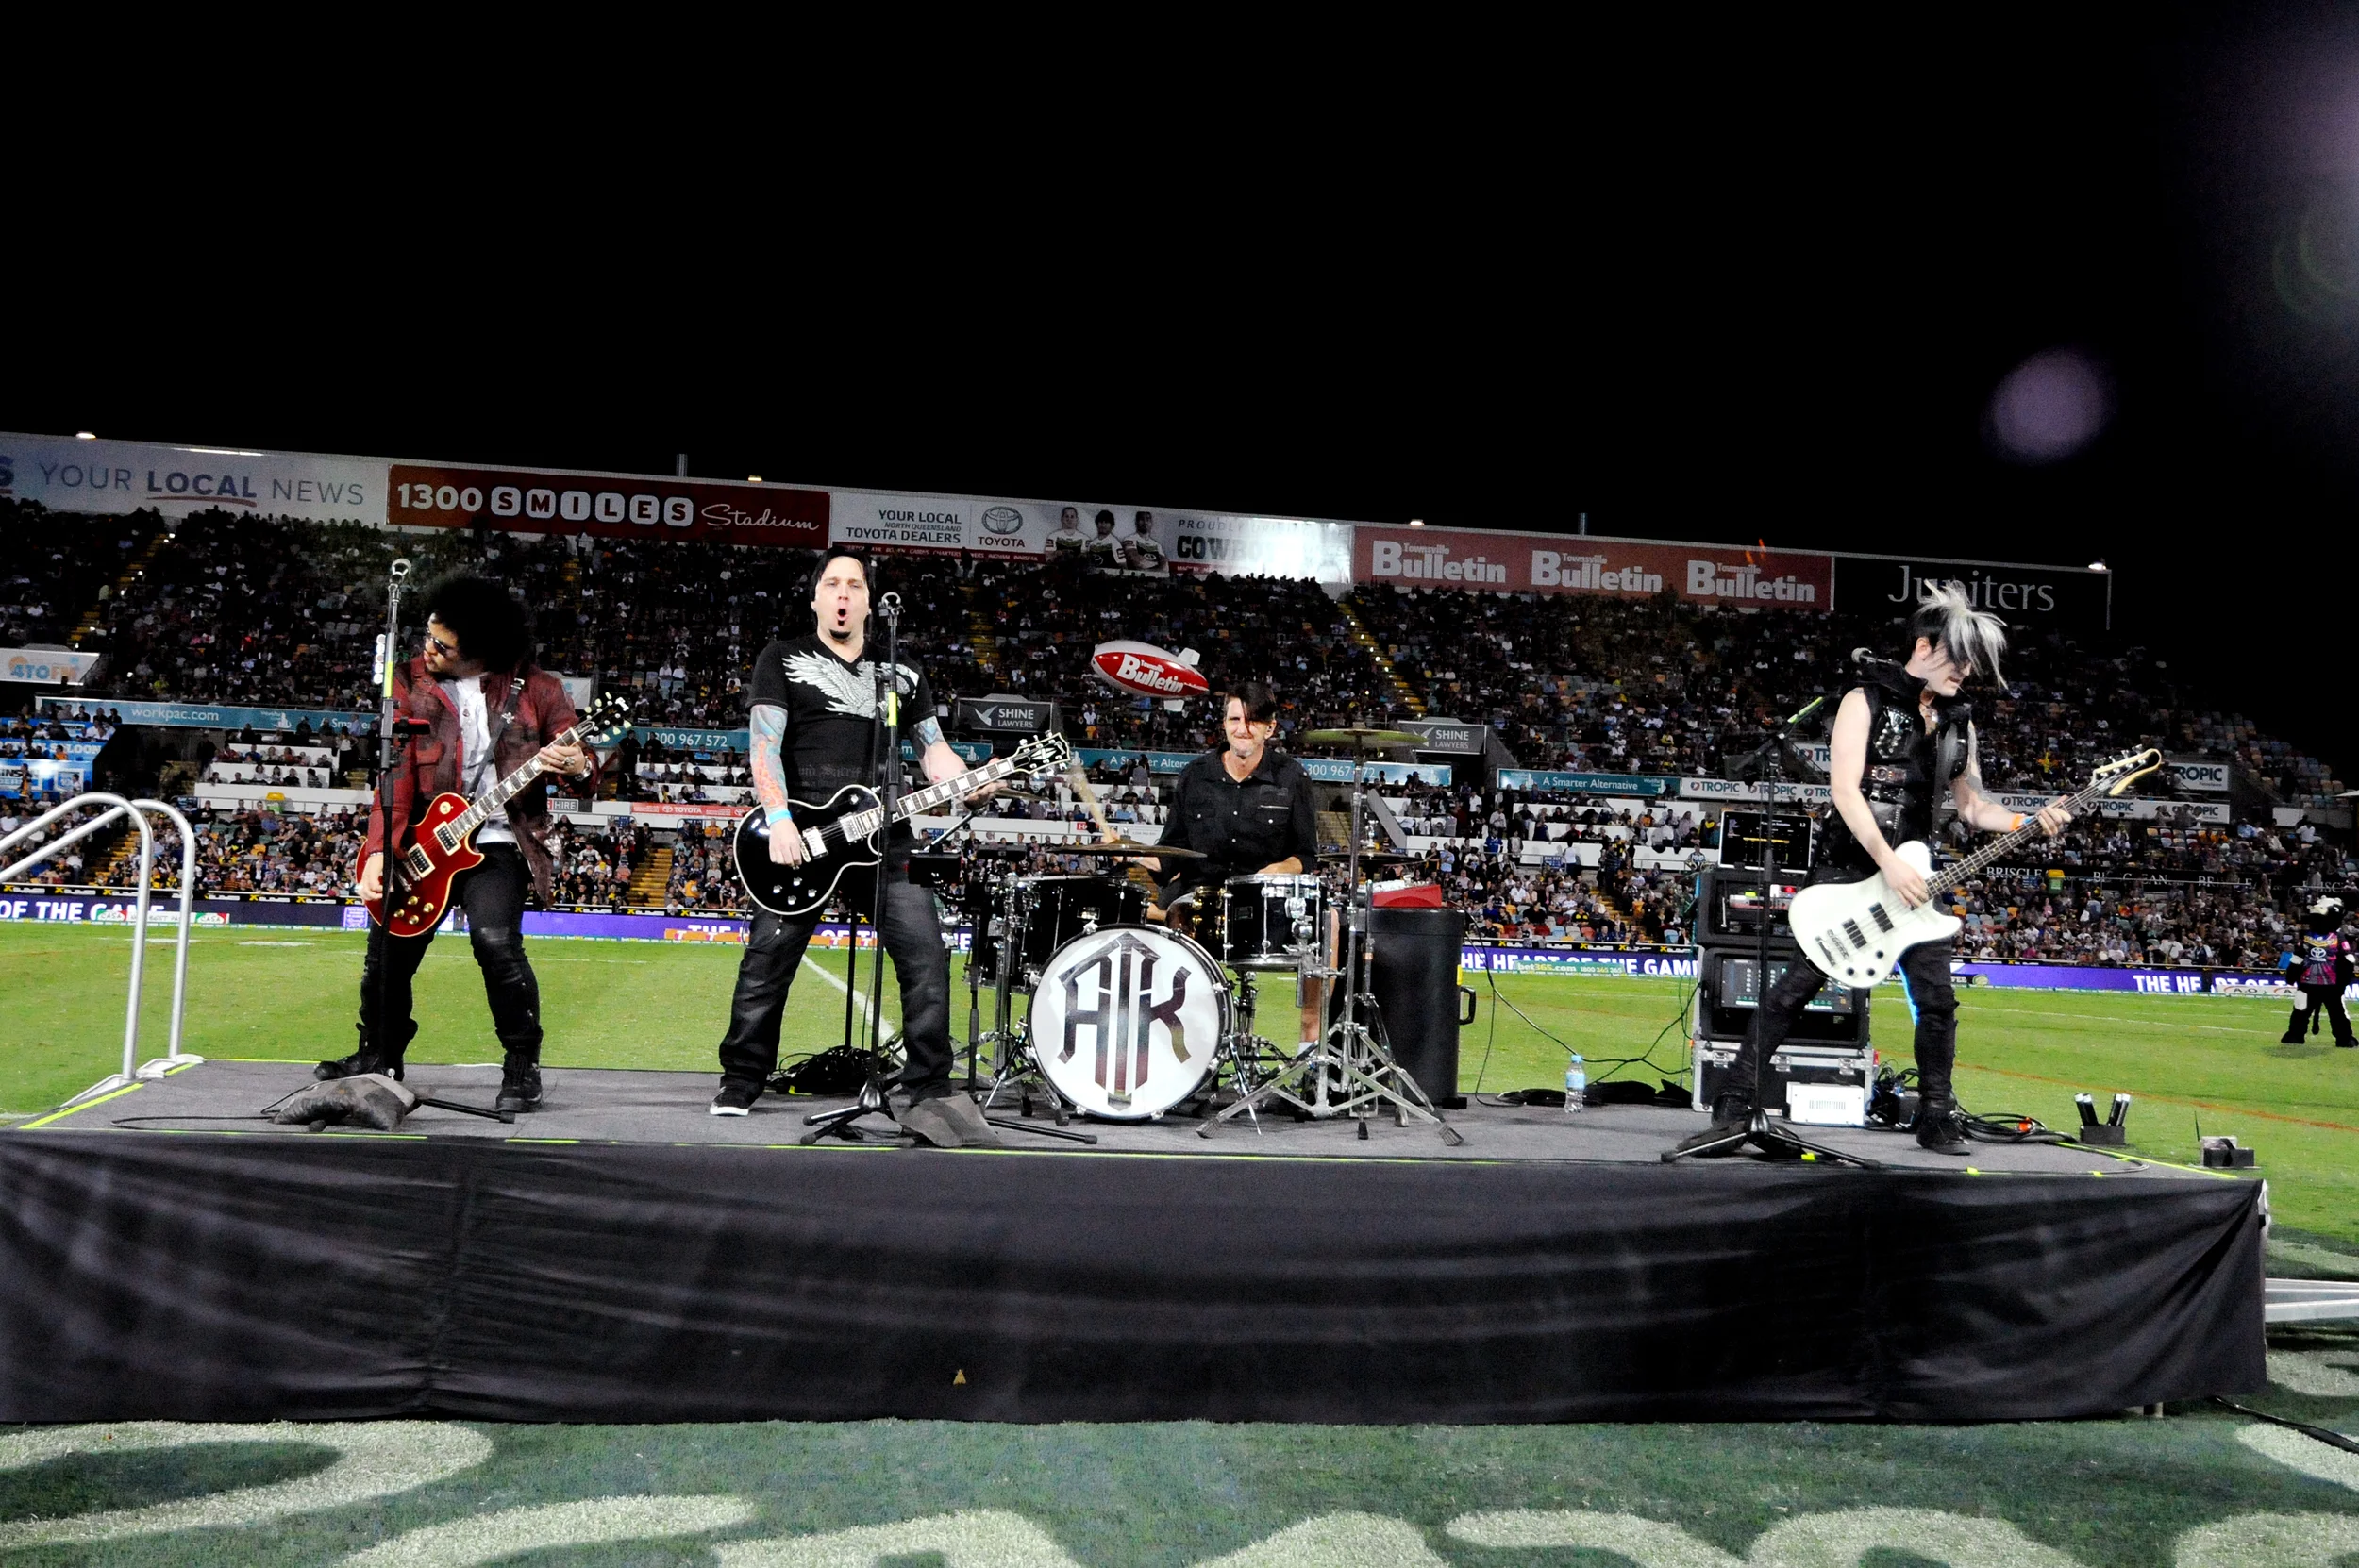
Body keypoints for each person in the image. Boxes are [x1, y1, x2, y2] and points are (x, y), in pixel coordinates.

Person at [1674, 584, 2070, 1157]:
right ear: (1925, 646)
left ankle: (1936, 1115)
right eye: (1959, 657)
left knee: (1937, 1000)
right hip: (1851, 869)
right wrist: (1887, 863)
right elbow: (1844, 791)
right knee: (1792, 992)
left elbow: (1972, 807)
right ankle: (1734, 1105)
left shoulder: (1961, 722)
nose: (1967, 673)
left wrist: (2025, 823)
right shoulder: (1866, 699)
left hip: (1916, 883)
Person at [711, 553, 992, 1136]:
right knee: (768, 960)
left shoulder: (903, 670)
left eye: (854, 585)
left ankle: (928, 1083)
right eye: (832, 584)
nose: (843, 594)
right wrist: (780, 817)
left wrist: (968, 780)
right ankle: (741, 1077)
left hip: (885, 833)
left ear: (869, 601)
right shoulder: (781, 658)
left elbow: (932, 749)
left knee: (926, 954)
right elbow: (765, 745)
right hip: (802, 831)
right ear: (815, 598)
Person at [322, 575, 601, 1114]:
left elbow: (584, 774)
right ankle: (377, 1055)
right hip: (422, 841)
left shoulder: (539, 689)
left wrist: (578, 763)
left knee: (496, 943)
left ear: (480, 652)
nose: (427, 650)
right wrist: (382, 847)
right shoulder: (407, 682)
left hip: (498, 842)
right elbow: (396, 774)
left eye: (441, 646)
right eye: (428, 637)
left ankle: (522, 1064)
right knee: (387, 953)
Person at [1134, 681, 1324, 1046]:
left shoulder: (1293, 777)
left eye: (1253, 721)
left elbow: (1307, 855)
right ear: (1223, 723)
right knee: (1172, 916)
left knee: (1327, 923)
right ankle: (1181, 1046)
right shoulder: (1194, 775)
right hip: (1198, 898)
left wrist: (1285, 868)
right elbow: (1171, 849)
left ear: (1270, 728)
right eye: (1235, 719)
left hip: (1262, 903)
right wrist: (1131, 852)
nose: (1242, 728)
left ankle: (1310, 1046)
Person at [2280, 894, 2355, 1046]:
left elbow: (2346, 961)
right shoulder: (2308, 937)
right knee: (2303, 1010)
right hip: (2312, 984)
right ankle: (2296, 1034)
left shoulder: (2337, 938)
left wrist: (2343, 980)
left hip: (2327, 984)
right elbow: (2298, 958)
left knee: (2336, 1013)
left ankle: (2344, 1037)